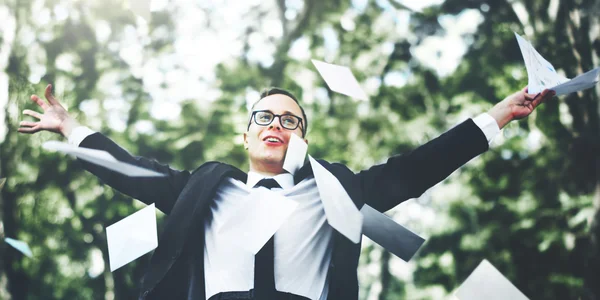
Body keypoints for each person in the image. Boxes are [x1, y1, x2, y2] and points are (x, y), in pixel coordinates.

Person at [19, 84, 555, 300]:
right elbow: (131, 170)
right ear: (246, 133)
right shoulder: (203, 188)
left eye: (291, 121)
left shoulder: (336, 192)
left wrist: (496, 118)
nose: (278, 124)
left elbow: (413, 170)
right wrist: (71, 129)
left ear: (302, 138)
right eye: (265, 116)